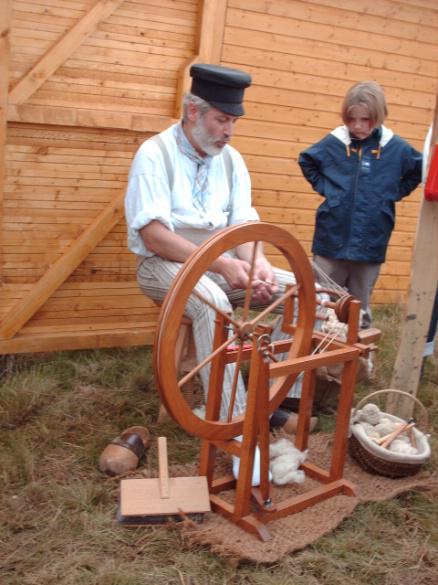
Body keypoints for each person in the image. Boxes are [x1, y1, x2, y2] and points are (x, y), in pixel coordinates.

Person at [124, 63, 306, 447]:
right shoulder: (154, 154)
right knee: (214, 303)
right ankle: (237, 431)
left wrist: (258, 266)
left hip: (221, 265)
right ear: (193, 111)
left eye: (234, 121)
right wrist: (222, 263)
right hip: (162, 266)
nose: (229, 131)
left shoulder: (232, 160)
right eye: (222, 119)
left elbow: (242, 222)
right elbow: (154, 235)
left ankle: (272, 397)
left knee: (302, 291)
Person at [298, 81, 422, 328]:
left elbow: (418, 169)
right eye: (351, 119)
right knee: (321, 303)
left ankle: (354, 362)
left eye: (365, 119)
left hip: (370, 242)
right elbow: (307, 161)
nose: (357, 126)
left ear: (378, 116)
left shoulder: (395, 148)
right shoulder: (335, 142)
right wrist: (329, 190)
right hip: (331, 240)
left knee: (358, 307)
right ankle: (313, 360)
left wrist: (392, 194)